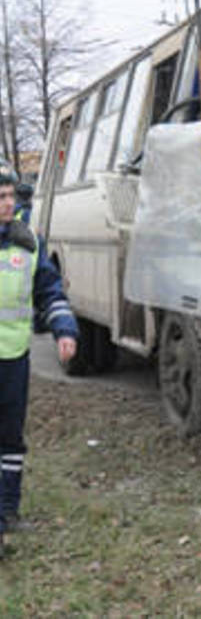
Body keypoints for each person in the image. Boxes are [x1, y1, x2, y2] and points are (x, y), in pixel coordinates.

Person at [0, 162, 78, 559]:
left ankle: (8, 511)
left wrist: (64, 330)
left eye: (11, 195)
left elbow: (48, 289)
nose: (8, 203)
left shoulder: (28, 242)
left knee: (11, 437)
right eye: (1, 196)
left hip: (13, 356)